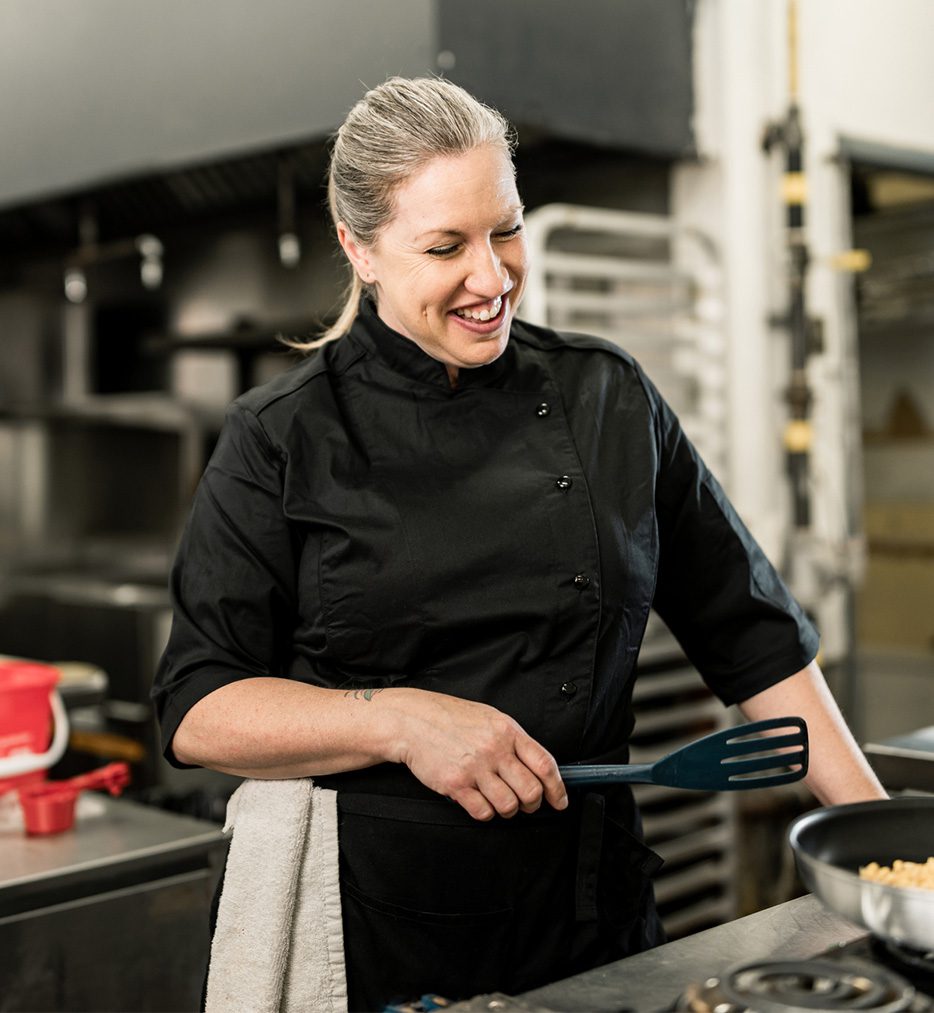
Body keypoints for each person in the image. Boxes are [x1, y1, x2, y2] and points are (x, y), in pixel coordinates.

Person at [152, 76, 886, 1010]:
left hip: (594, 906)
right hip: (388, 925)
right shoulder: (282, 435)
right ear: (359, 249)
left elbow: (752, 635)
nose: (493, 277)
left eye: (506, 229)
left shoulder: (607, 395)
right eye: (445, 246)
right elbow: (198, 705)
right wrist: (399, 719)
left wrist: (882, 848)